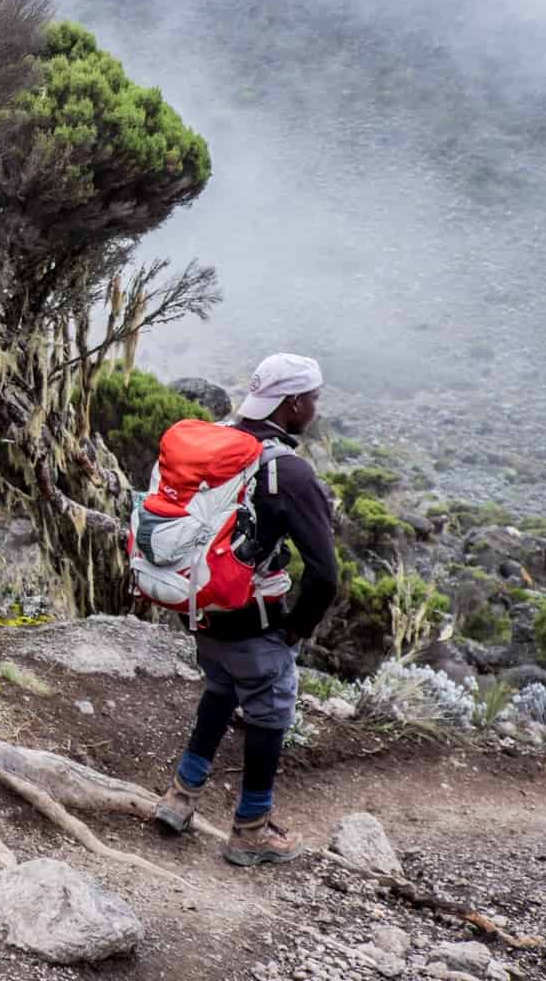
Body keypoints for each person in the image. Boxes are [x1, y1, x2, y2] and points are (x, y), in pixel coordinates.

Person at [151, 352, 338, 866]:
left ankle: (179, 799)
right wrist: (296, 630)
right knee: (269, 711)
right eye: (313, 398)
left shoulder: (214, 446)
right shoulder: (289, 472)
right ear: (294, 403)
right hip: (254, 618)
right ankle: (251, 828)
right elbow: (325, 574)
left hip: (198, 605)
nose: (316, 406)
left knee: (220, 690)